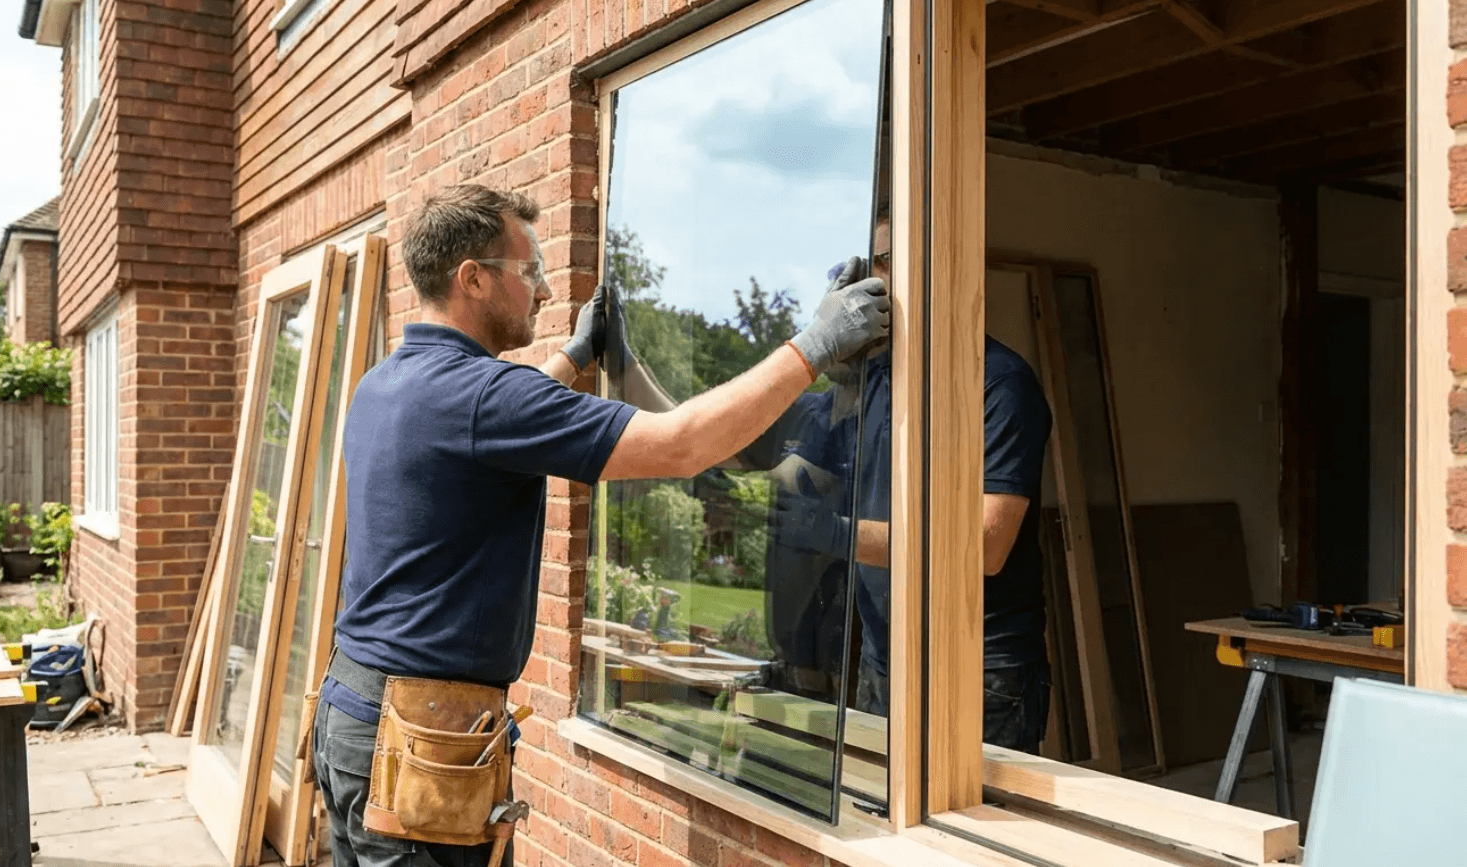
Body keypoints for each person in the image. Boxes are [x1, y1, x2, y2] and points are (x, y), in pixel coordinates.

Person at [310, 184, 889, 867]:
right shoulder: (486, 398)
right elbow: (682, 445)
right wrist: (815, 343)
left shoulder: (385, 384)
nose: (545, 290)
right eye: (529, 270)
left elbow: (498, 419)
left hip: (351, 713)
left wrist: (577, 355)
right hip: (418, 744)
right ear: (473, 278)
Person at [768, 212, 1053, 753]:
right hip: (884, 662)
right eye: (866, 267)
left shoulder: (999, 384)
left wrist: (837, 534)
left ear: (931, 268)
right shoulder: (872, 381)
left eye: (881, 262)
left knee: (967, 814)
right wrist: (824, 351)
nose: (868, 283)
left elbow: (987, 546)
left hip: (977, 672)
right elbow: (780, 467)